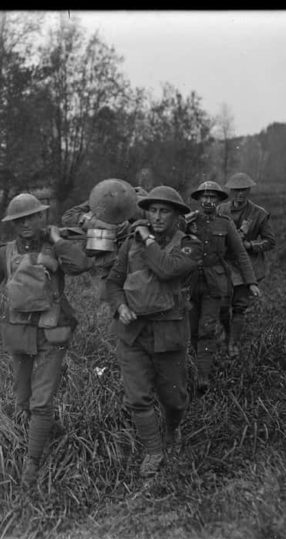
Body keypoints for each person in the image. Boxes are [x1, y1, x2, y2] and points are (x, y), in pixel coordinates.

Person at [0, 193, 88, 489]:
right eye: (19, 220)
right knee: (23, 401)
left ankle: (31, 465)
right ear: (13, 223)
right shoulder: (5, 253)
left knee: (41, 401)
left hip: (53, 330)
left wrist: (59, 240)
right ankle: (50, 432)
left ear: (41, 218)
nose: (25, 224)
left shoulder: (55, 247)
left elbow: (81, 264)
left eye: (31, 218)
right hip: (19, 332)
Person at [104, 186, 203, 478]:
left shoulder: (190, 245)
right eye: (152, 211)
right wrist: (120, 306)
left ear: (177, 216)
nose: (157, 217)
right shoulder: (130, 244)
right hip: (132, 333)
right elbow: (113, 281)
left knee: (174, 399)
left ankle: (172, 429)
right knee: (137, 398)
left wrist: (146, 238)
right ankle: (153, 450)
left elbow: (166, 269)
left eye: (165, 212)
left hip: (169, 332)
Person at [186, 181, 260, 394]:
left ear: (219, 201)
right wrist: (183, 223)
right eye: (204, 197)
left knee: (207, 328)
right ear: (199, 199)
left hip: (214, 283)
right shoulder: (189, 221)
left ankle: (202, 375)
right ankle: (194, 365)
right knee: (191, 329)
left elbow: (240, 254)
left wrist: (251, 282)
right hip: (189, 283)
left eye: (213, 197)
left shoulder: (225, 223)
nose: (208, 201)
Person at [216, 173, 276, 357]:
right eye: (236, 190)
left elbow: (270, 242)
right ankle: (227, 334)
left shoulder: (259, 214)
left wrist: (250, 245)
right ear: (231, 191)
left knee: (239, 306)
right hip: (225, 264)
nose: (240, 194)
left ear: (249, 191)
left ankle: (233, 344)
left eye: (243, 190)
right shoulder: (221, 210)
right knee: (223, 305)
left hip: (247, 266)